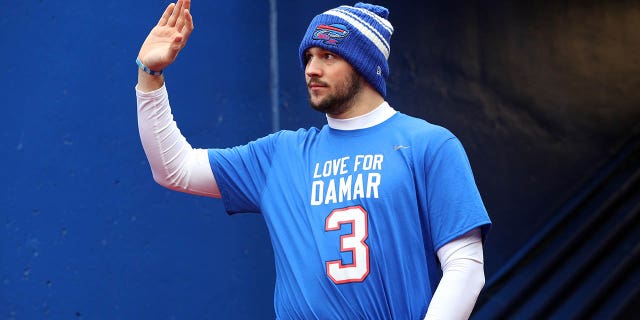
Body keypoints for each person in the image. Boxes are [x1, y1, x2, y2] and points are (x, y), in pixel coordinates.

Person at [135, 1, 492, 319]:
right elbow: (174, 169)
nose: (311, 69)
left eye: (328, 56)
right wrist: (150, 74)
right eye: (308, 57)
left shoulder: (428, 145)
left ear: (365, 65)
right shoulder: (279, 154)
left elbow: (465, 266)